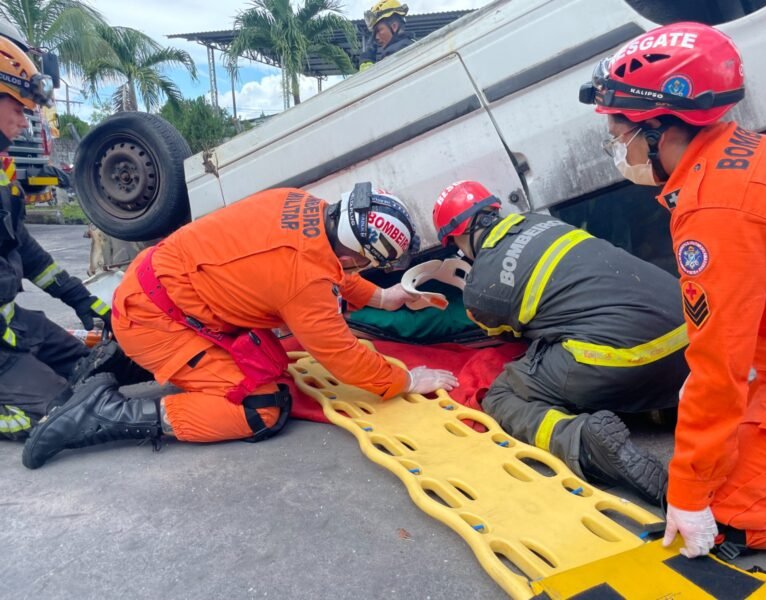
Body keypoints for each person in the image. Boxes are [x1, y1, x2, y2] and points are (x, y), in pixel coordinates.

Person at [22, 183, 458, 468]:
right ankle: (108, 413)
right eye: (369, 264)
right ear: (359, 255)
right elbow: (343, 357)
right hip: (158, 320)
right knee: (261, 406)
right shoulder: (303, 282)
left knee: (262, 354)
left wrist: (383, 297)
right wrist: (402, 380)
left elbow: (328, 265)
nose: (362, 269)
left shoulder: (305, 206)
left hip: (154, 287)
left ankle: (131, 358)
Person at [580, 21, 766, 557]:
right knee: (717, 439)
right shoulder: (747, 152)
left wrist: (690, 493)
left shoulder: (717, 206)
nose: (619, 153)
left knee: (725, 507)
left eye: (620, 138)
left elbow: (719, 364)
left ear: (659, 127)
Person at [432, 180, 689, 505]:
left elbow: (501, 331)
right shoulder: (541, 222)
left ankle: (585, 444)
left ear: (459, 235)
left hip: (625, 357)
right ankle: (670, 410)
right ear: (493, 209)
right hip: (691, 336)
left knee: (503, 394)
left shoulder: (481, 288)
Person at [0, 30, 110, 442]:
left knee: (91, 369)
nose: (24, 117)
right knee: (60, 410)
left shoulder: (2, 172)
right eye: (17, 105)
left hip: (12, 325)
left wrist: (83, 301)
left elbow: (22, 251)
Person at [360, 0, 414, 71]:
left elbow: (375, 79)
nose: (376, 37)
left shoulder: (394, 52)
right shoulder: (410, 45)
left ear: (394, 26)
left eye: (378, 30)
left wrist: (366, 60)